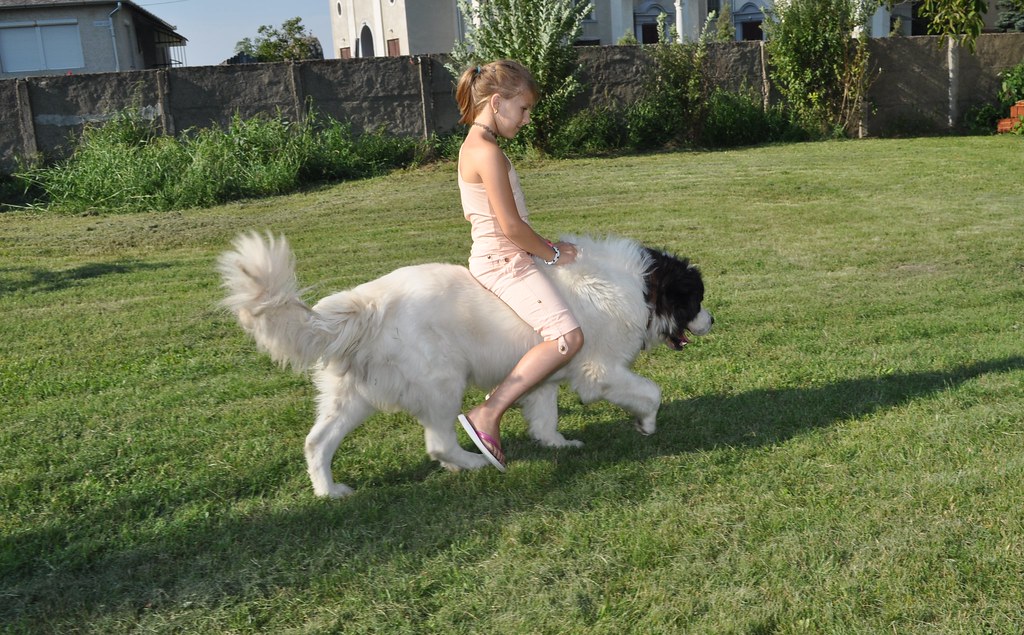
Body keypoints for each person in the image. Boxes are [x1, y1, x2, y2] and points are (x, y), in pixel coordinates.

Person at [454, 60, 585, 472]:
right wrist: (550, 253)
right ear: (497, 102)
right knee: (568, 336)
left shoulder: (474, 146)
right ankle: (488, 414)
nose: (527, 119)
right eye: (524, 109)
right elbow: (510, 227)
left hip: (504, 255)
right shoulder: (488, 153)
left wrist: (542, 244)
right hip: (505, 263)